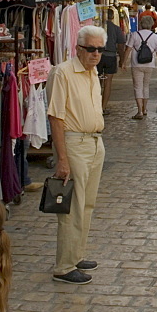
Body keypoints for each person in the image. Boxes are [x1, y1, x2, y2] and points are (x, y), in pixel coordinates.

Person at [47, 25, 107, 285]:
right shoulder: (63, 73)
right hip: (74, 143)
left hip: (94, 142)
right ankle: (64, 265)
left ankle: (77, 254)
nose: (96, 54)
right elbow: (56, 117)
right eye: (91, 49)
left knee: (87, 204)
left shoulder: (93, 73)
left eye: (100, 49)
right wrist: (62, 158)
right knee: (71, 206)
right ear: (78, 48)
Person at [124, 15, 157, 119]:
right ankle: (145, 109)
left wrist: (123, 62)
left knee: (138, 87)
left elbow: (128, 49)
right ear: (151, 25)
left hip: (136, 64)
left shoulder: (135, 35)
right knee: (146, 86)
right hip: (149, 65)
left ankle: (139, 111)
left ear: (141, 24)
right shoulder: (155, 37)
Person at [99, 9, 126, 114]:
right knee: (108, 82)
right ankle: (103, 107)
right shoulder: (116, 28)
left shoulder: (99, 27)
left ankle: (95, 105)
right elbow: (121, 45)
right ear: (112, 17)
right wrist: (122, 60)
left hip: (99, 56)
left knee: (97, 81)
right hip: (111, 57)